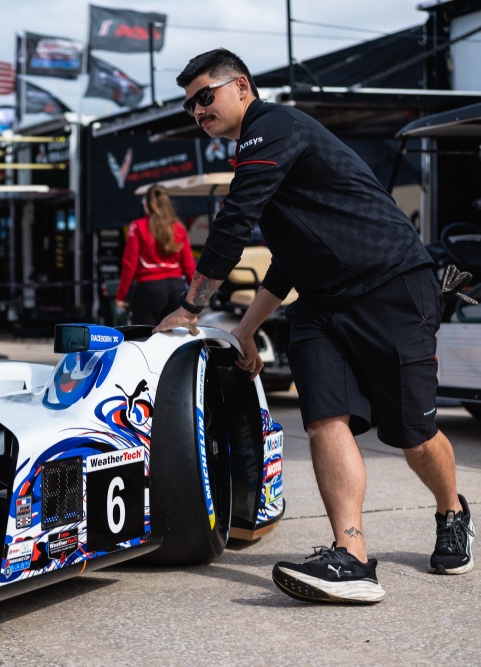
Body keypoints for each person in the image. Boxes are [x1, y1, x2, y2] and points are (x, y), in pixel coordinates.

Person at [154, 48, 474, 604]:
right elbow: (288, 259)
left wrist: (190, 307)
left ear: (242, 87)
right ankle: (351, 557)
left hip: (391, 286)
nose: (198, 110)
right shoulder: (260, 151)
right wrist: (247, 329)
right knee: (326, 417)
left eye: (205, 96)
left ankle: (452, 511)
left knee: (413, 433)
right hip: (323, 304)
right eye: (189, 106)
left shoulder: (273, 126)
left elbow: (234, 223)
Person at [115, 185, 196, 325]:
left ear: (147, 205)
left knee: (145, 336)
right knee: (173, 337)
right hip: (177, 289)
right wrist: (196, 297)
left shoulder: (137, 226)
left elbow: (129, 264)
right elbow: (189, 267)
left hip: (149, 289)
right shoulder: (179, 227)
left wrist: (121, 296)